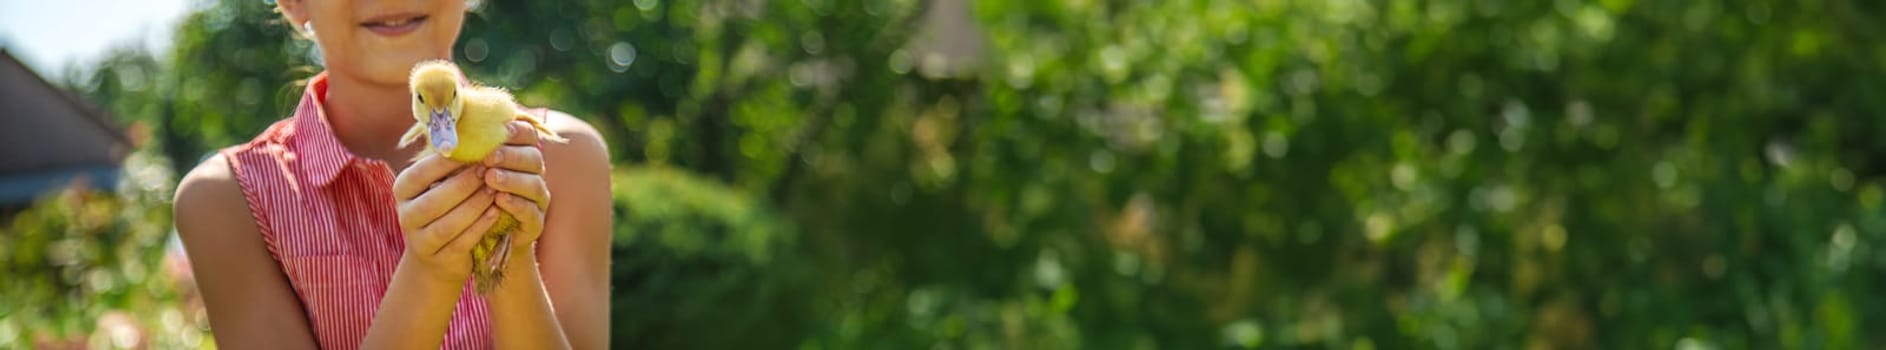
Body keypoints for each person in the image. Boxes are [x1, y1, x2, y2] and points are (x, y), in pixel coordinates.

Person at [170, 0, 612, 348]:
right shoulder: (227, 201)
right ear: (293, 2)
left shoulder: (563, 157)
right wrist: (431, 274)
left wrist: (511, 257)